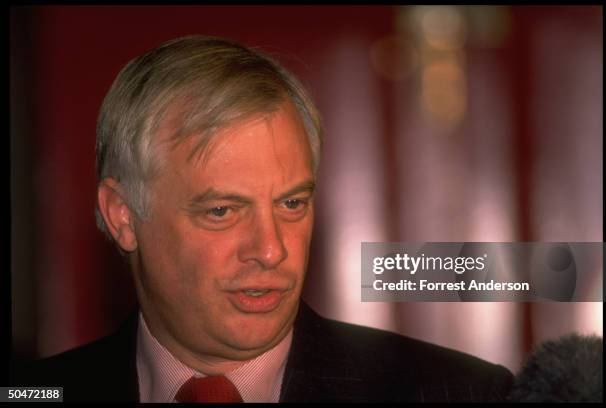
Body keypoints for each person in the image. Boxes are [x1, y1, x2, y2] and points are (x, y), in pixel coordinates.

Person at [12, 35, 514, 402]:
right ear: (123, 216)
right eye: (222, 211)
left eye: (291, 204)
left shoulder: (459, 393)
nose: (272, 249)